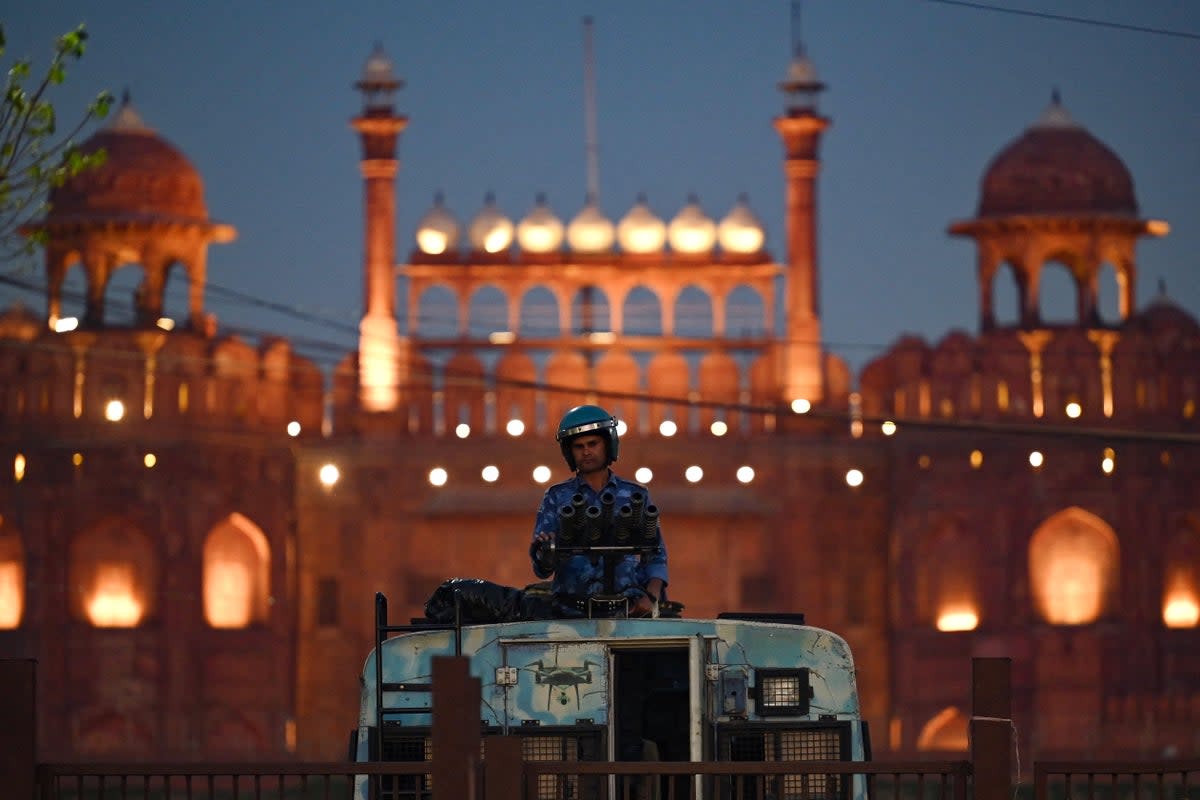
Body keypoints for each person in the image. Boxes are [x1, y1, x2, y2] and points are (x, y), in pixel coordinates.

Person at [530, 404, 668, 617]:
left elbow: (655, 554)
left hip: (627, 612)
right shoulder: (557, 497)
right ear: (569, 452)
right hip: (570, 614)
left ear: (608, 444)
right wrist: (547, 552)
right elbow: (541, 568)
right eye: (578, 446)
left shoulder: (635, 495)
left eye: (593, 444)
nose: (586, 451)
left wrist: (651, 596)